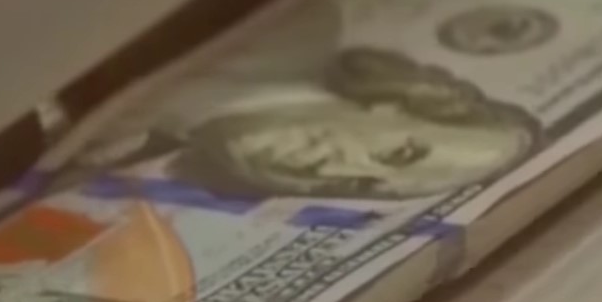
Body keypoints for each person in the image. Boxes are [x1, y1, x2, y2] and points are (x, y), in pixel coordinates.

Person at [72, 46, 542, 201]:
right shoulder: (299, 33)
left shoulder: (109, 165)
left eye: (362, 185)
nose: (328, 174)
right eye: (400, 152)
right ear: (392, 107)